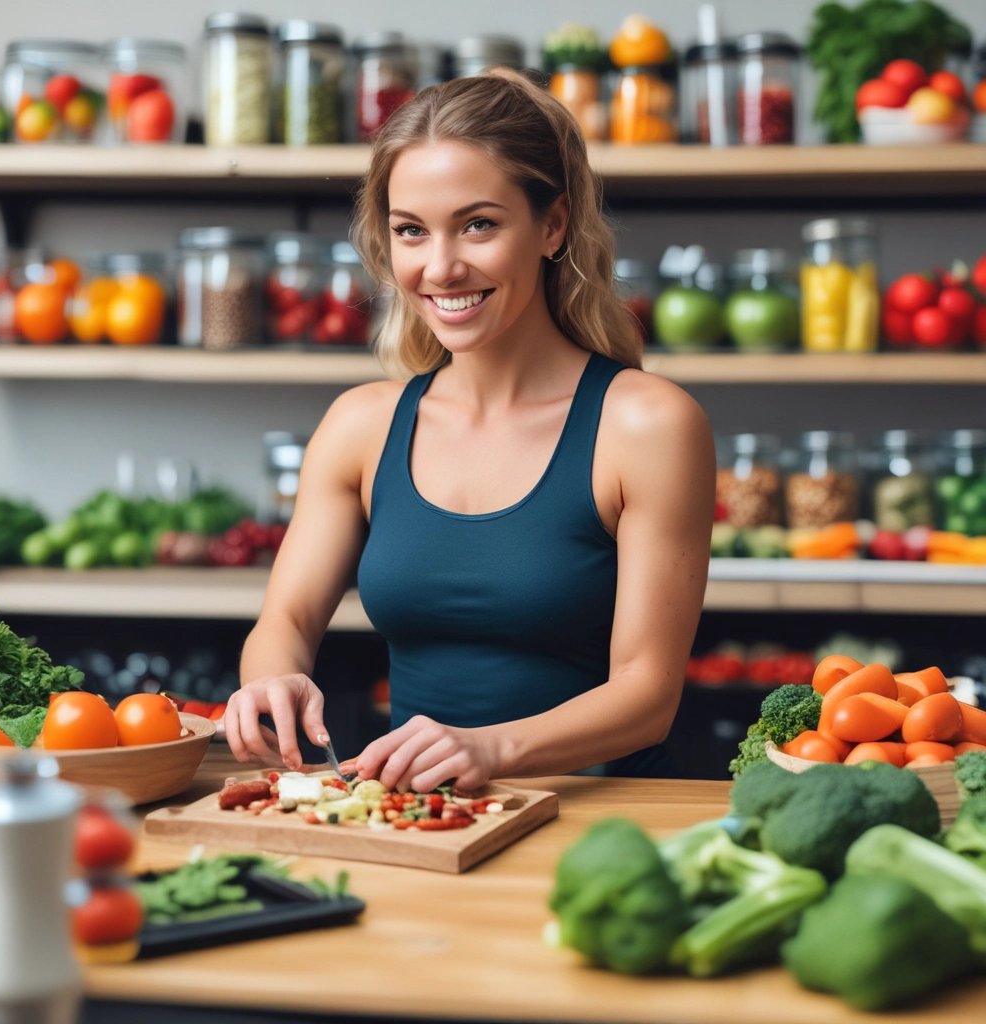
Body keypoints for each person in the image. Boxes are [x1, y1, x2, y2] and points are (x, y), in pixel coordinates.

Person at [224, 68, 715, 792]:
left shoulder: (647, 424)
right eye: (411, 232)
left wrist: (491, 751)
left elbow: (646, 694)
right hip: (426, 819)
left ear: (553, 226)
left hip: (601, 818)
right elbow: (285, 619)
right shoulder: (362, 426)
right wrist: (274, 681)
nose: (441, 268)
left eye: (478, 224)